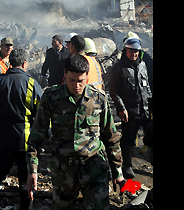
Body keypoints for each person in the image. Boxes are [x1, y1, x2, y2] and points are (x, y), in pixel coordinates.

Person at [27, 54, 124, 210]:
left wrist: (117, 171)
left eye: (81, 81)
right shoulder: (51, 97)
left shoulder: (98, 99)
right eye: (71, 80)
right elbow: (36, 135)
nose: (76, 85)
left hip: (94, 168)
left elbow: (110, 136)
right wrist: (33, 169)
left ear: (87, 76)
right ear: (65, 74)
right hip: (63, 171)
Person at [0, 49, 43, 210]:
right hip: (24, 142)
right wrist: (46, 137)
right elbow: (42, 115)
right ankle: (26, 206)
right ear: (25, 64)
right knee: (24, 176)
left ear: (9, 63)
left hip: (3, 139)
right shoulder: (32, 84)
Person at [109, 37, 152, 179]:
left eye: (136, 52)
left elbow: (147, 89)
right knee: (128, 140)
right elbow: (114, 91)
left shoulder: (143, 65)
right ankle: (126, 165)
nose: (134, 54)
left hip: (145, 110)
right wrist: (121, 109)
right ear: (125, 51)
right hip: (130, 111)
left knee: (151, 137)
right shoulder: (118, 68)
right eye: (131, 51)